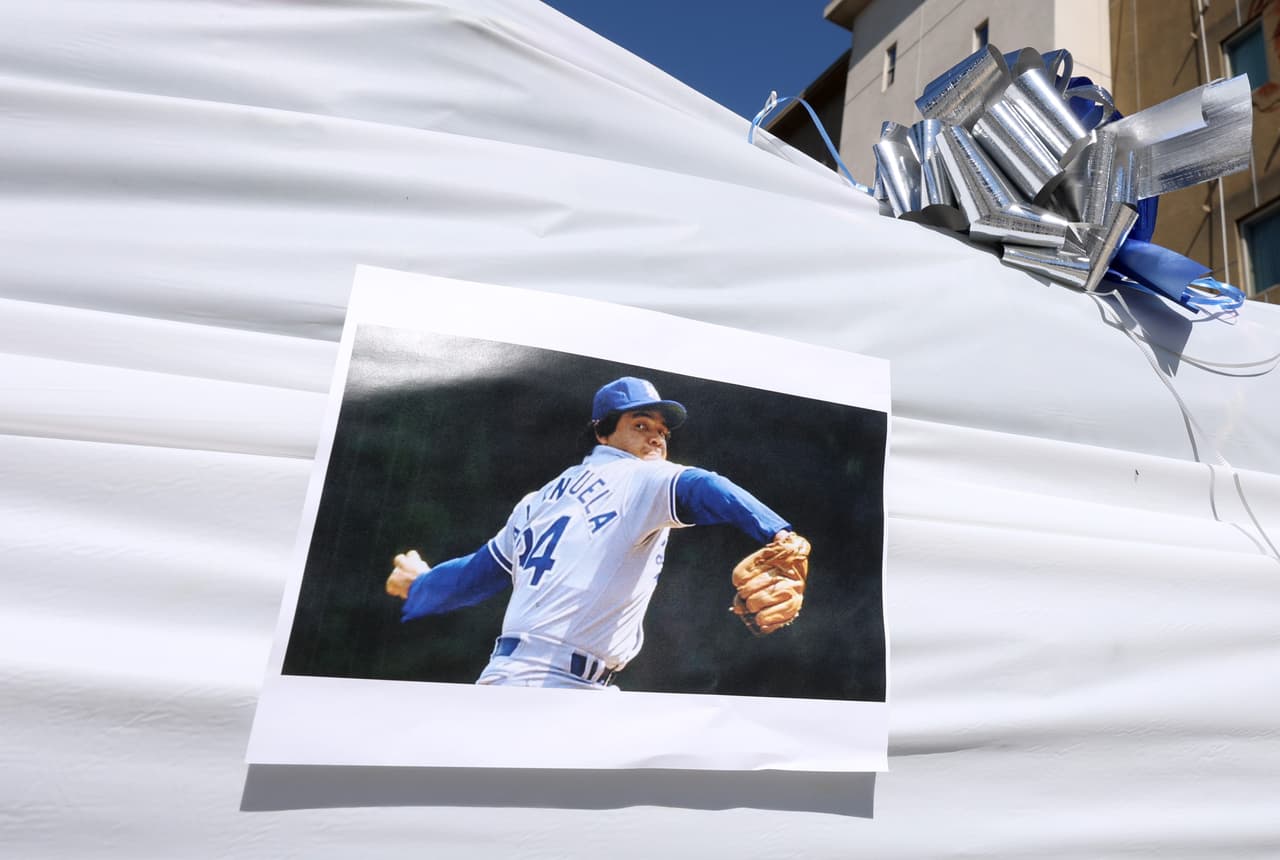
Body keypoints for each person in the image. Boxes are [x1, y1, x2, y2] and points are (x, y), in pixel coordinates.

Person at [385, 376, 800, 690]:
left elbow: (475, 576)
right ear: (603, 432)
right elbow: (705, 486)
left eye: (663, 431)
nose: (657, 435)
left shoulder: (536, 500)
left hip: (532, 681)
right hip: (544, 688)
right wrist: (779, 533)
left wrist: (421, 584)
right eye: (641, 424)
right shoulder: (641, 478)